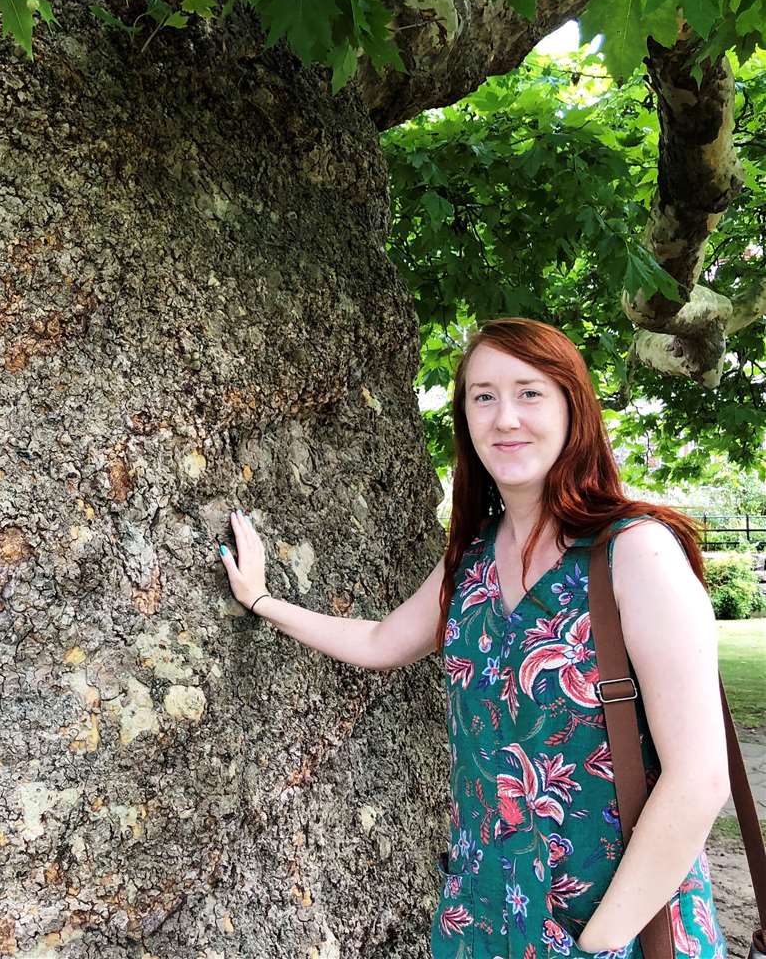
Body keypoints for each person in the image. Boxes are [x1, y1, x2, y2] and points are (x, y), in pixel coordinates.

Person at [217, 317, 731, 959]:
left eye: (529, 392)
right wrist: (263, 601)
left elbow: (700, 778)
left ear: (575, 407)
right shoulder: (474, 557)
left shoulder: (633, 551)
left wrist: (600, 940)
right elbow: (382, 642)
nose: (505, 417)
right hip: (485, 910)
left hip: (617, 920)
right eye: (483, 396)